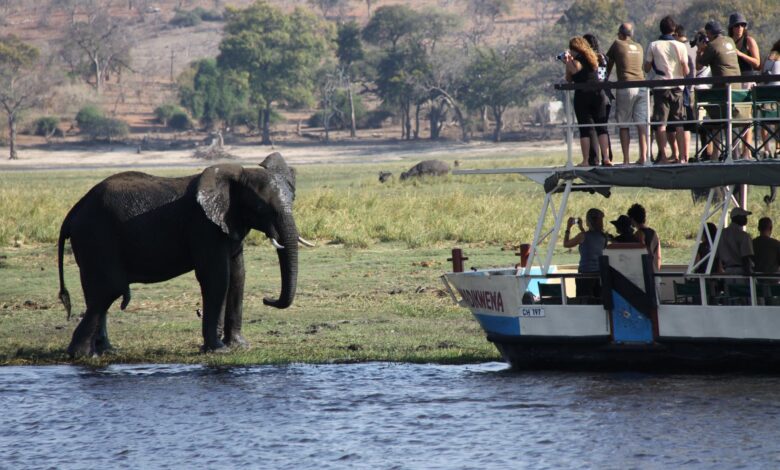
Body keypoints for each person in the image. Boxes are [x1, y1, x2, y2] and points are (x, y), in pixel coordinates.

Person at [644, 16, 689, 164]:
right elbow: (686, 70)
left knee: (661, 123)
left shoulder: (653, 45)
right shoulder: (681, 46)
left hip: (661, 87)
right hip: (677, 88)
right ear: (674, 29)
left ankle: (663, 156)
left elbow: (646, 67)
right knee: (679, 124)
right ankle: (683, 157)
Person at [564, 37, 612, 167]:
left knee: (585, 129)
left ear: (574, 49)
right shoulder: (595, 58)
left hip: (582, 97)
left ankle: (585, 160)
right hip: (599, 95)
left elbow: (569, 79)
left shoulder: (573, 63)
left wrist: (568, 61)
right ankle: (606, 158)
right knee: (602, 128)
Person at [605, 22, 648, 165]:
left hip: (627, 86)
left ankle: (626, 160)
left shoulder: (617, 44)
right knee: (641, 123)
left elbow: (608, 64)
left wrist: (604, 80)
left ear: (620, 34)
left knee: (624, 124)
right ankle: (643, 157)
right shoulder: (639, 46)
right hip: (642, 86)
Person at [728, 12, 761, 159]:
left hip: (747, 80)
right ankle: (733, 151)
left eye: (742, 25)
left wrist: (740, 54)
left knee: (747, 117)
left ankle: (746, 152)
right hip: (733, 82)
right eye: (737, 25)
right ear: (732, 27)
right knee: (734, 117)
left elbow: (757, 63)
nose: (740, 27)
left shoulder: (749, 41)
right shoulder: (728, 41)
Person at [584, 33, 615, 166]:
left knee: (594, 129)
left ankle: (595, 158)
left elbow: (600, 78)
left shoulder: (591, 58)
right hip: (606, 96)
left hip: (597, 95)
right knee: (603, 128)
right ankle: (607, 157)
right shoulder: (603, 57)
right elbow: (604, 76)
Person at [563, 208, 607, 300]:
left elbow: (566, 244)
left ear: (588, 221)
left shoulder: (582, 236)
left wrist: (568, 228)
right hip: (599, 275)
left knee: (584, 302)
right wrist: (581, 228)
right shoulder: (604, 236)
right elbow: (591, 240)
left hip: (585, 276)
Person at [671, 25, 697, 163]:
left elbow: (689, 69)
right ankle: (684, 155)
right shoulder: (694, 47)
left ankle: (683, 155)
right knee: (686, 122)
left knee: (683, 122)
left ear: (676, 34)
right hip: (693, 89)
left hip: (685, 89)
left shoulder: (681, 48)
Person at [759, 39, 780, 158]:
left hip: (765, 95)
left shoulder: (769, 57)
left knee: (765, 120)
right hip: (777, 93)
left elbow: (762, 73)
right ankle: (778, 148)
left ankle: (766, 148)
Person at [717, 207, 754, 275]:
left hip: (727, 271)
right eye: (743, 216)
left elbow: (717, 255)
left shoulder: (721, 234)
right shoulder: (744, 235)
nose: (746, 218)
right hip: (741, 271)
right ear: (736, 218)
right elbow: (746, 257)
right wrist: (749, 273)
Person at [627, 203, 662, 271]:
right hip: (655, 271)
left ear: (633, 219)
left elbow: (642, 254)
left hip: (646, 271)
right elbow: (658, 256)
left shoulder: (639, 234)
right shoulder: (653, 232)